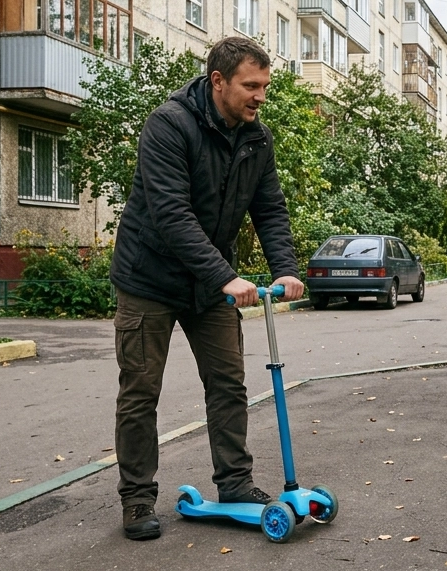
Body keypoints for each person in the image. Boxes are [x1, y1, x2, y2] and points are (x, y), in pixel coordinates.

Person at [108, 37, 305, 541]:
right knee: (140, 392)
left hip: (210, 285)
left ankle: (235, 484)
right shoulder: (168, 125)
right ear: (218, 81)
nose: (261, 96)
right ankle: (137, 501)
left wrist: (283, 267)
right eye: (251, 86)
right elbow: (172, 215)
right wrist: (225, 276)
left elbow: (270, 209)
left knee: (228, 383)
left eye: (265, 86)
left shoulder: (255, 137)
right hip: (148, 279)